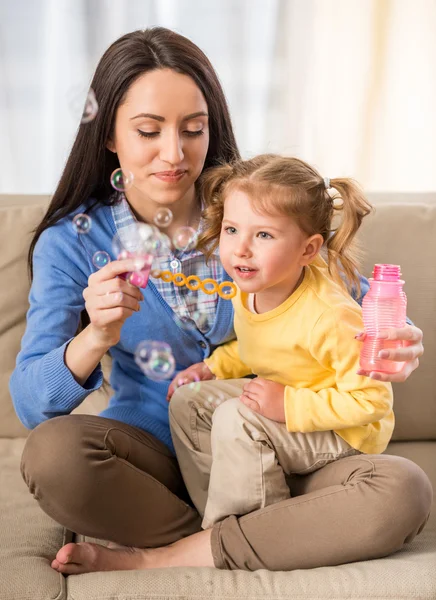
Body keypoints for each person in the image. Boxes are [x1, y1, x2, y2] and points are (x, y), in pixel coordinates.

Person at [9, 27, 430, 575]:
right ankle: (266, 536)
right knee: (54, 456)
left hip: (284, 445)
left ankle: (168, 556)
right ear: (110, 136)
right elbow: (31, 405)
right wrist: (94, 338)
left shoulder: (256, 206)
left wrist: (398, 333)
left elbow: (358, 302)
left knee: (404, 488)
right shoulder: (73, 242)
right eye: (148, 131)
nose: (174, 153)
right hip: (156, 464)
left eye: (193, 129)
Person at [166, 154, 396, 529]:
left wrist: (288, 405)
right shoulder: (250, 287)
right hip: (288, 400)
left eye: (264, 235)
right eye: (232, 229)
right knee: (188, 403)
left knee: (237, 417)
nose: (241, 249)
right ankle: (219, 512)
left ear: (307, 250)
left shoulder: (331, 316)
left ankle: (260, 529)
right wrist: (214, 367)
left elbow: (372, 400)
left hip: (344, 432)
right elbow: (265, 344)